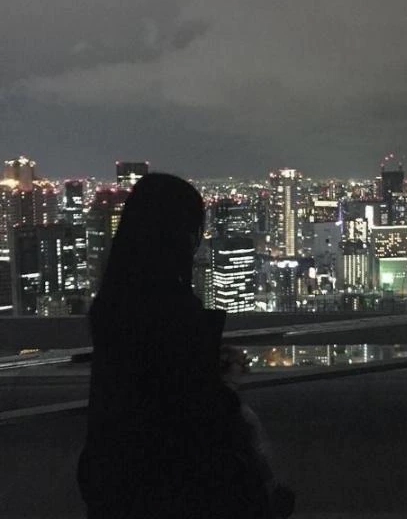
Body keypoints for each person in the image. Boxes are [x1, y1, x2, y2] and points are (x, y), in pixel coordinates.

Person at [77, 173, 271, 519]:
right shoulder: (173, 310)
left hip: (115, 481)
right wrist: (227, 380)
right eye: (194, 230)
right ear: (179, 237)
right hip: (169, 487)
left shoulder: (113, 306)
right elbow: (193, 411)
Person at [220, 346, 295, 519]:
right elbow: (255, 451)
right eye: (240, 364)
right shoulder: (236, 408)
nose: (244, 370)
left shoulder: (225, 404)